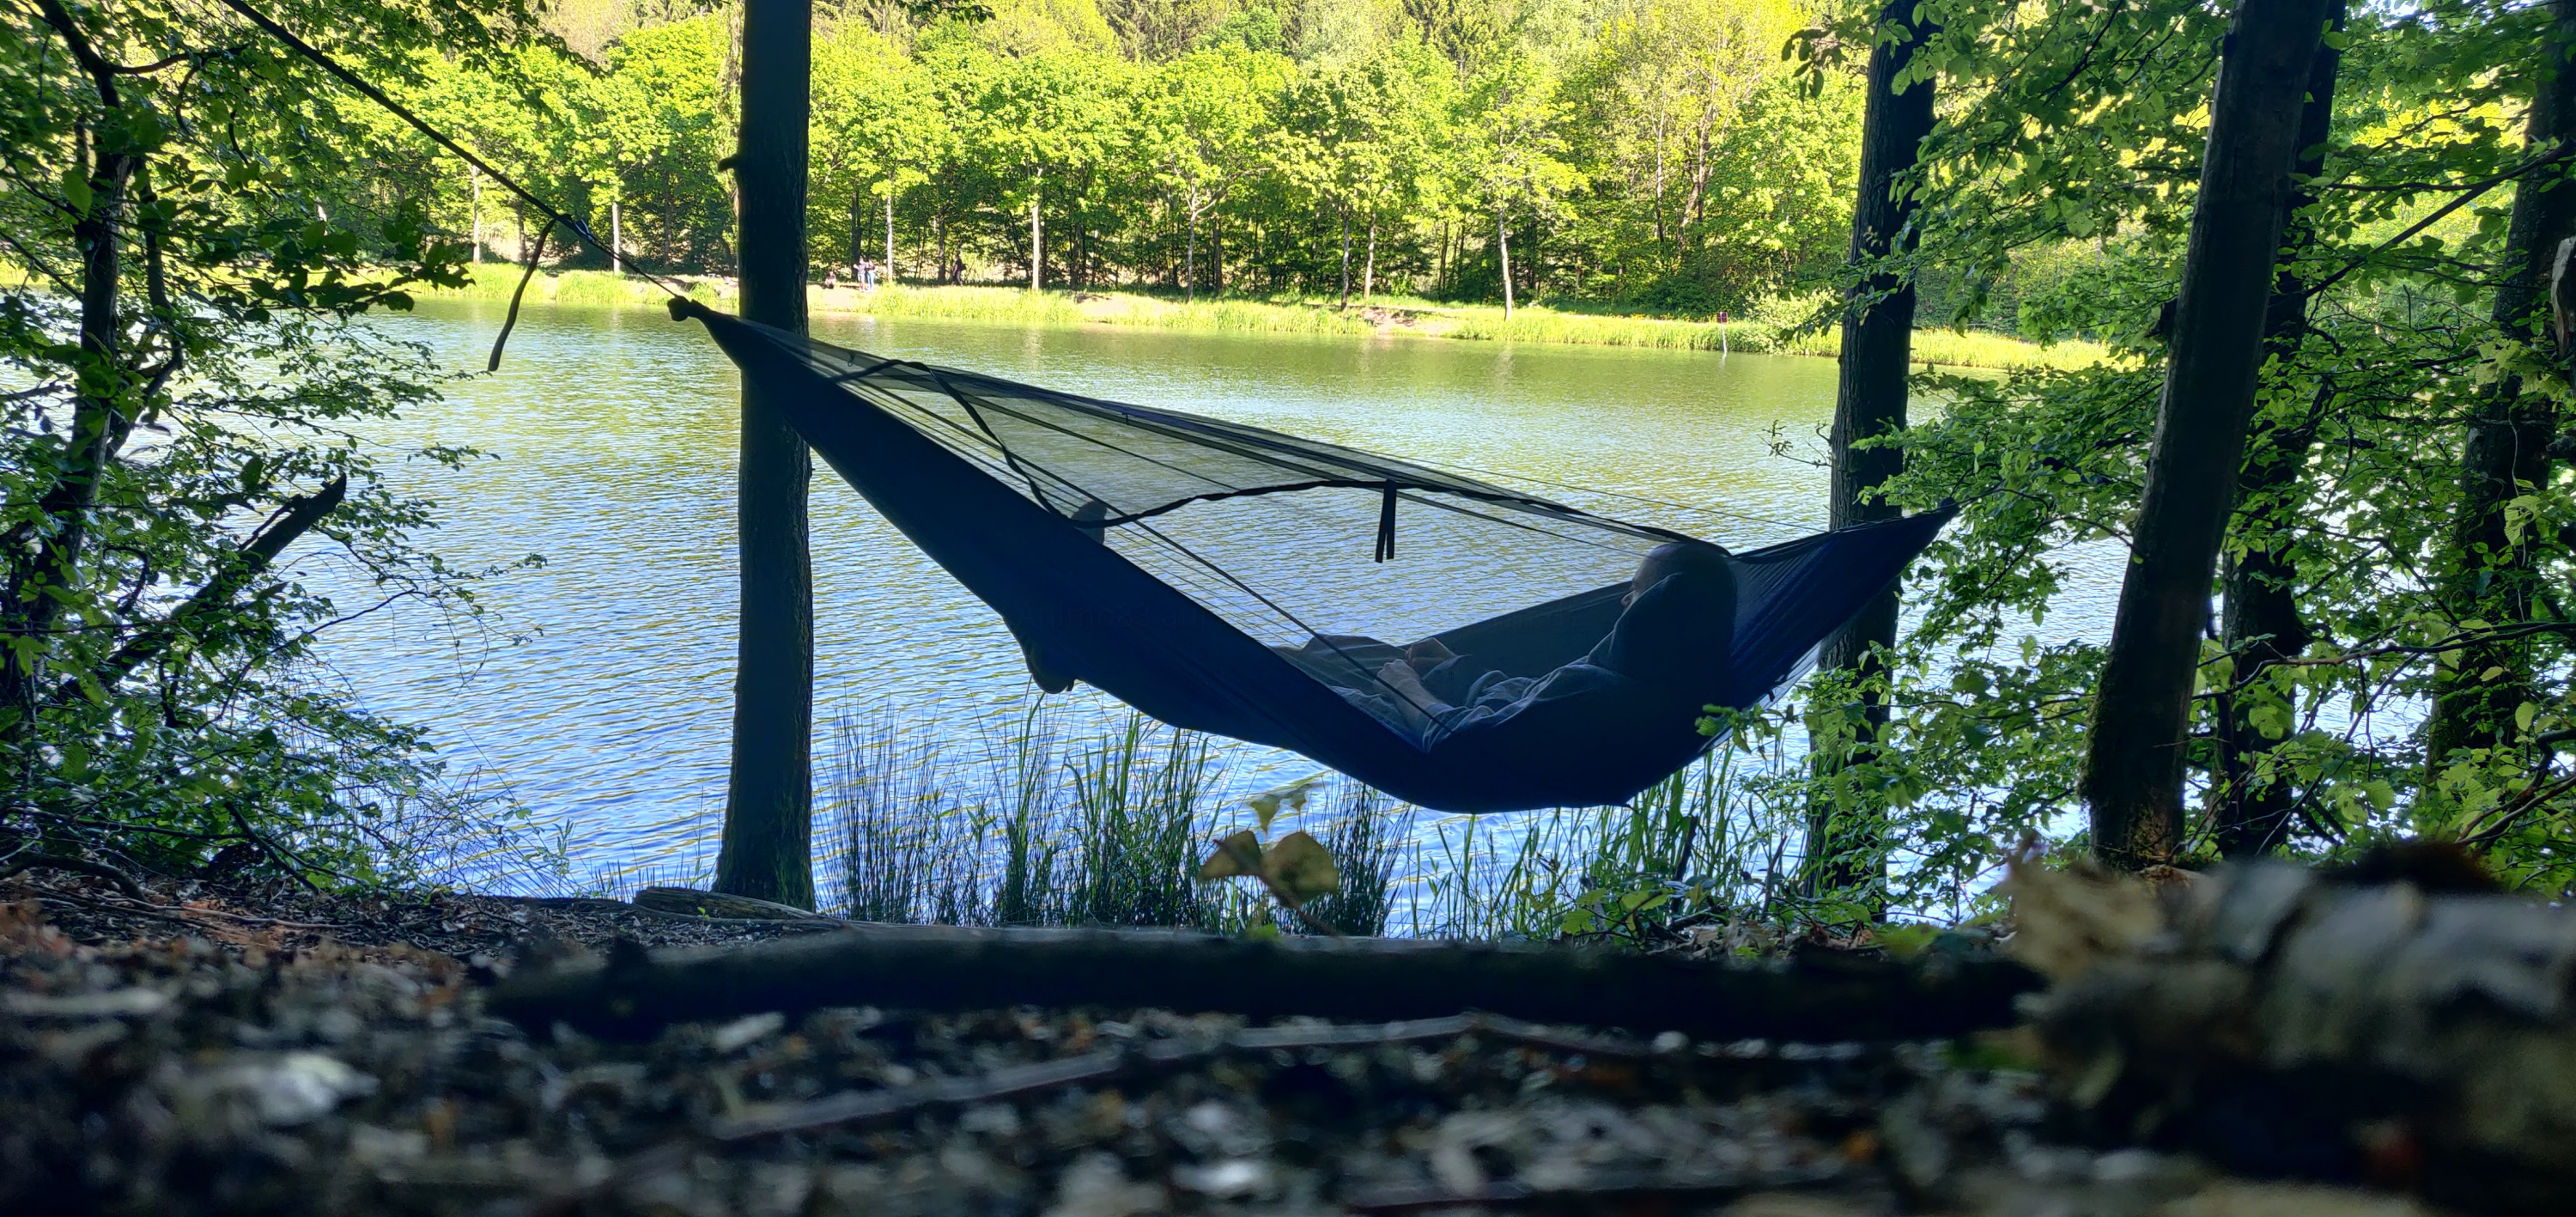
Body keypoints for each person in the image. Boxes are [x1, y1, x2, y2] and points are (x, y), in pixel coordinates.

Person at [1282, 540, 1737, 746]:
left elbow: (1461, 741)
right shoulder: (1649, 670)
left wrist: (1406, 691)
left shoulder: (1596, 690)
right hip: (1466, 711)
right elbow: (1526, 701)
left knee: (1285, 677)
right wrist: (1457, 666)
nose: (1623, 599)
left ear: (1659, 605)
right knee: (1342, 650)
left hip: (1429, 740)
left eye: (1636, 591)